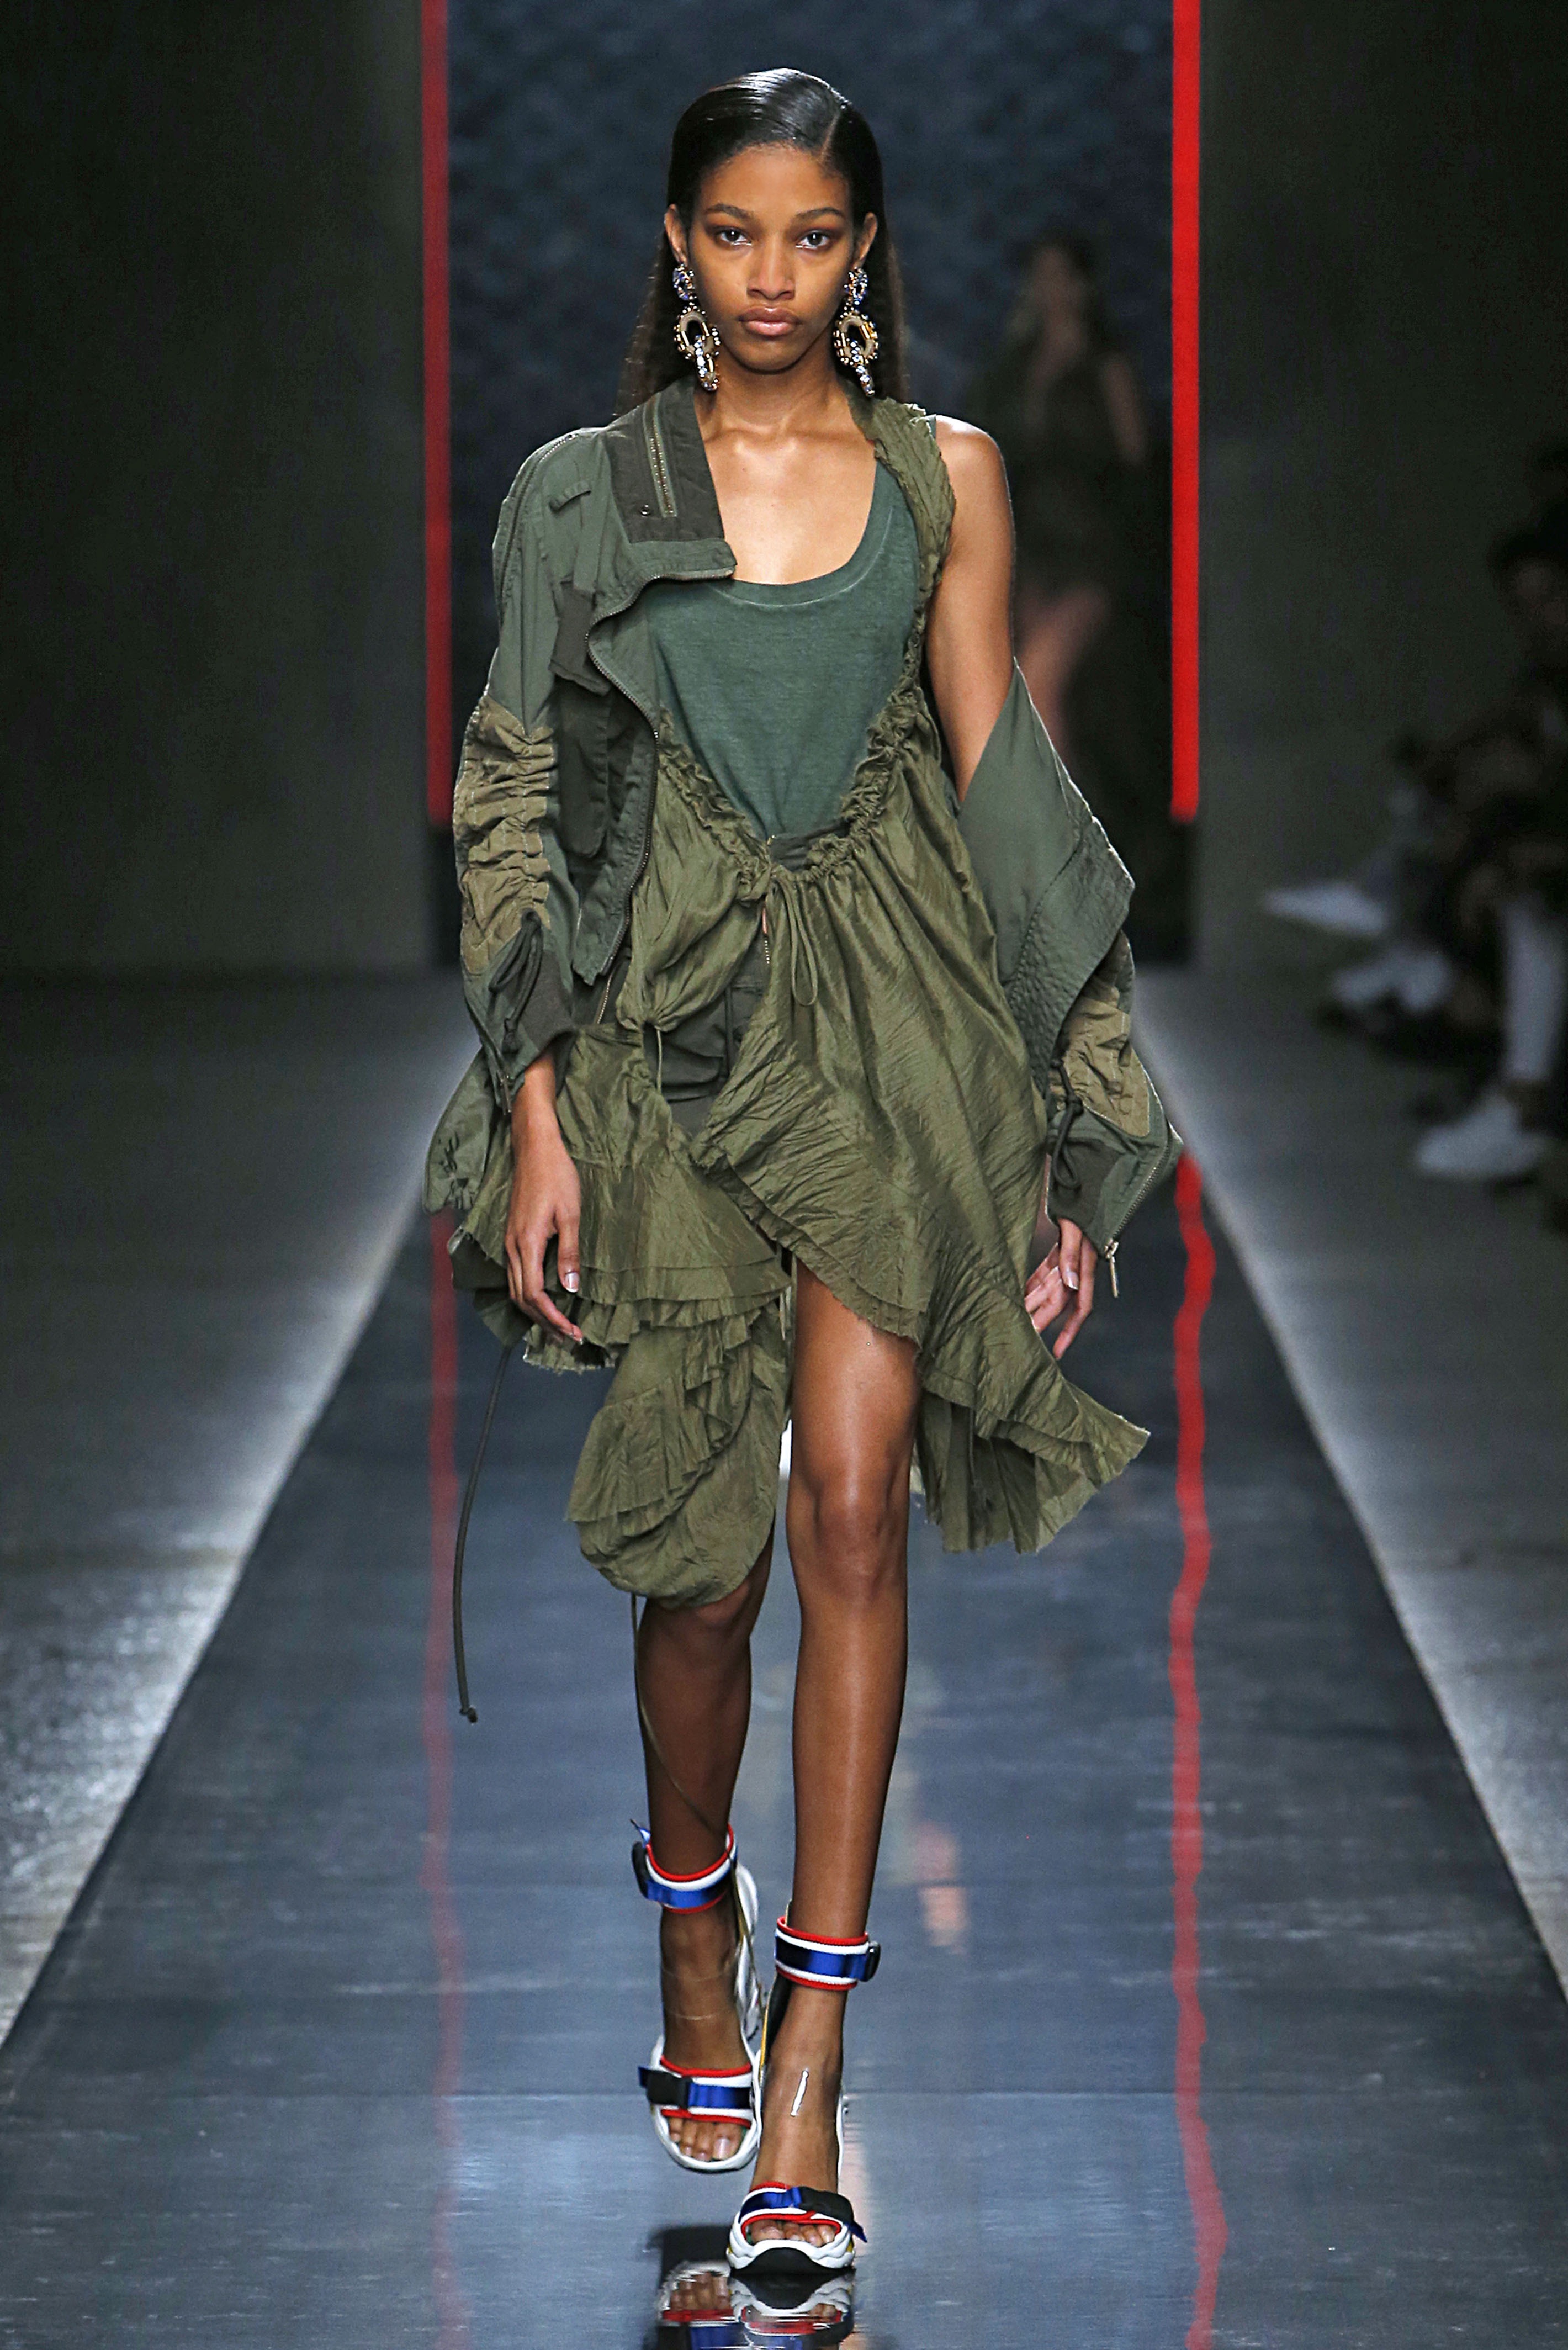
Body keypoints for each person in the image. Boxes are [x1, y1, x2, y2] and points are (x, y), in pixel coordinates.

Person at [424, 70, 1178, 2289]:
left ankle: (814, 2058)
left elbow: (1000, 778)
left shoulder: (946, 476)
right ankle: (692, 1910)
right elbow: (514, 789)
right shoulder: (583, 494)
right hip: (662, 1037)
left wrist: (1072, 1114)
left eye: (813, 235)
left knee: (851, 1509)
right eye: (734, 233)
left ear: (864, 254)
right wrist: (534, 1103)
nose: (772, 276)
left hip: (897, 1026)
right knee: (704, 1573)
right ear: (677, 242)